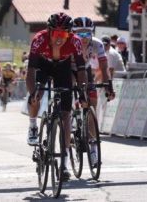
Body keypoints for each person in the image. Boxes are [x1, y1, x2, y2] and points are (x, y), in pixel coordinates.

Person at [26, 13, 87, 181]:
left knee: (66, 115)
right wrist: (32, 94)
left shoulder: (75, 41)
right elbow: (30, 70)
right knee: (37, 94)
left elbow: (81, 69)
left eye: (64, 34)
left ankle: (64, 163)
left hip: (62, 67)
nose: (59, 38)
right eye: (56, 34)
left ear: (70, 34)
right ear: (49, 31)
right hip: (43, 65)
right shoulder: (39, 39)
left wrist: (82, 92)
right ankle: (32, 125)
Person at [72, 17, 115, 165]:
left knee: (92, 104)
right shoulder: (70, 43)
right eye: (80, 34)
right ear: (73, 34)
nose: (84, 38)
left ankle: (93, 147)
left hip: (86, 69)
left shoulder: (97, 44)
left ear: (92, 34)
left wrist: (109, 85)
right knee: (70, 91)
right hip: (69, 69)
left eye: (87, 34)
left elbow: (104, 67)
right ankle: (73, 116)